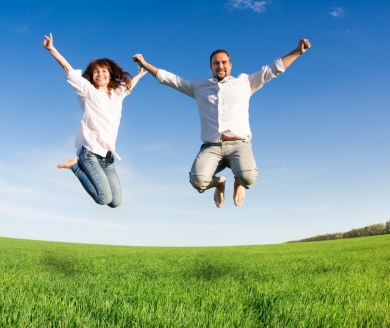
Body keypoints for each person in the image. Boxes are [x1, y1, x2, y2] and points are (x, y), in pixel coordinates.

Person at [133, 38, 311, 208]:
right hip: (212, 146)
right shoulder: (199, 86)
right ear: (211, 66)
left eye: (224, 62)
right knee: (198, 181)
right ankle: (219, 184)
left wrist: (297, 52)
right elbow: (171, 80)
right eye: (216, 63)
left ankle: (239, 182)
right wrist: (145, 64)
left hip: (238, 145)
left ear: (230, 64)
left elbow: (273, 69)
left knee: (248, 178)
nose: (221, 66)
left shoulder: (245, 82)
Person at [43, 33, 147, 208]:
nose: (100, 74)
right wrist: (52, 49)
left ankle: (80, 166)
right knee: (102, 198)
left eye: (104, 71)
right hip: (90, 152)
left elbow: (128, 86)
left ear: (110, 73)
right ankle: (75, 166)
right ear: (91, 76)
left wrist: (139, 76)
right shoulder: (88, 91)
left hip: (108, 157)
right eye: (96, 71)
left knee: (115, 202)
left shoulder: (118, 92)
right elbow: (68, 69)